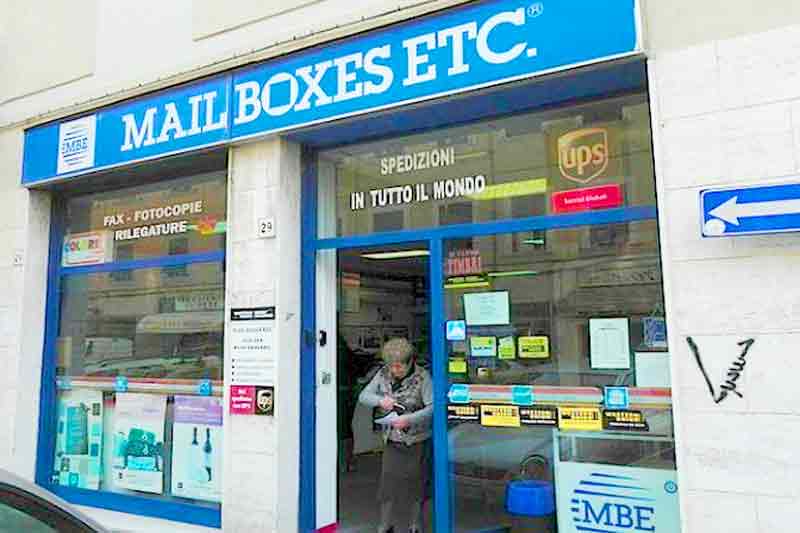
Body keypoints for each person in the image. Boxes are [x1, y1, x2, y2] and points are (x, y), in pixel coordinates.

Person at [358, 338, 432, 533]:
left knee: (416, 482)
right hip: (392, 439)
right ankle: (384, 525)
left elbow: (433, 407)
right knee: (388, 482)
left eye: (399, 367)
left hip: (416, 439)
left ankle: (415, 525)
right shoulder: (383, 374)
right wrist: (381, 400)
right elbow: (364, 396)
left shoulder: (423, 377)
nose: (395, 371)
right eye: (392, 367)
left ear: (410, 363)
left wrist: (410, 419)